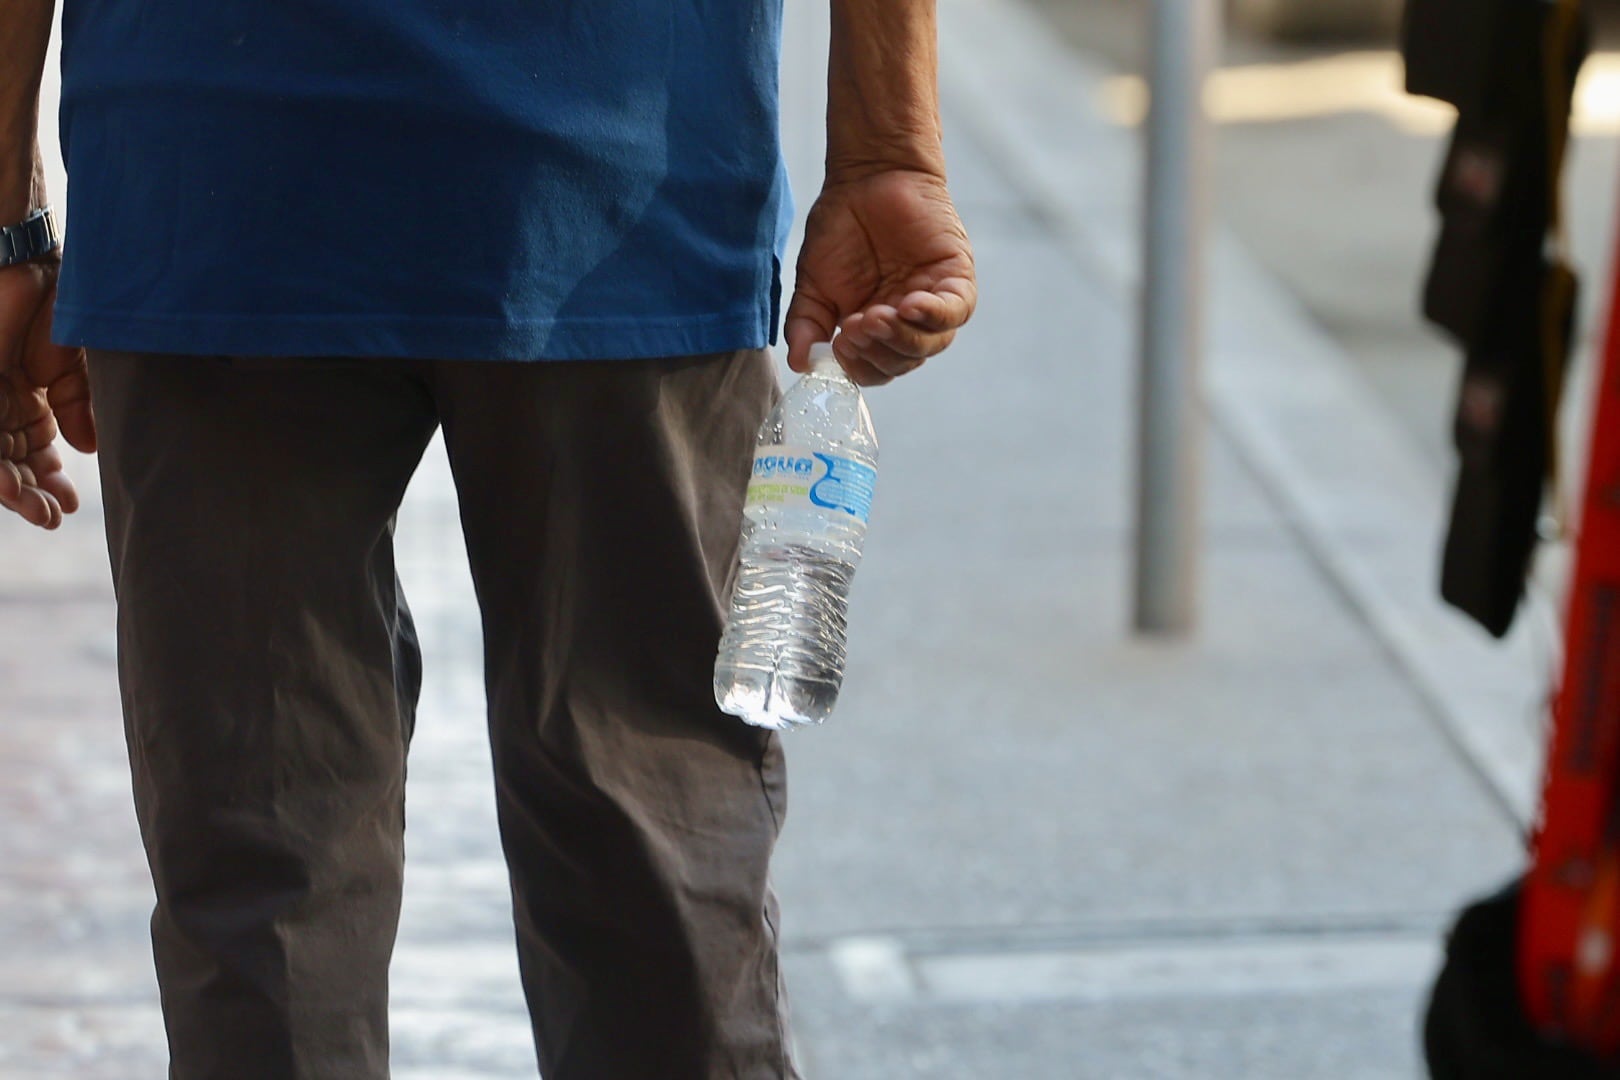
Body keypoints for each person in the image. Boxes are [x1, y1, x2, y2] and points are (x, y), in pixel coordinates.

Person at [0, 1, 974, 1077]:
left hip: (214, 167)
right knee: (652, 836)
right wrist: (889, 144)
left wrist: (4, 219)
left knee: (260, 870)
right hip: (621, 165)